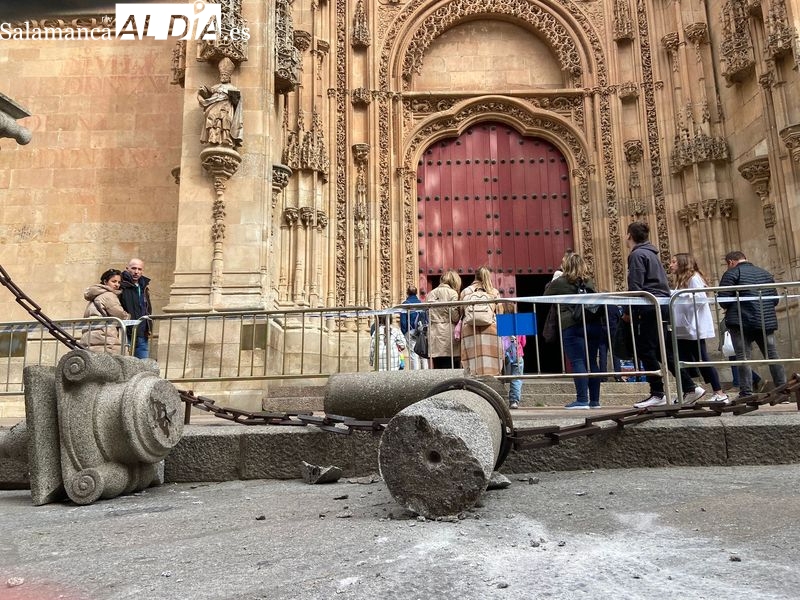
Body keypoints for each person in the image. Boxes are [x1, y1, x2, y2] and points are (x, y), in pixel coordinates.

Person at [624, 221, 701, 408]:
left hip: (649, 306)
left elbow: (636, 287)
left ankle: (658, 393)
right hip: (661, 305)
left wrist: (629, 313)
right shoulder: (650, 253)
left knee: (645, 350)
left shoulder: (637, 255)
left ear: (629, 236)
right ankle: (690, 387)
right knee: (661, 351)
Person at [718, 251, 786, 400]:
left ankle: (746, 393)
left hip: (740, 322)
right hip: (765, 321)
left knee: (743, 357)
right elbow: (775, 300)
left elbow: (723, 301)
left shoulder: (731, 274)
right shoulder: (765, 273)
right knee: (773, 356)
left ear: (730, 262)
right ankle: (783, 390)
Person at [544, 253, 604, 409]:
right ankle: (595, 401)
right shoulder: (588, 280)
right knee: (591, 361)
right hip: (592, 323)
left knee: (577, 361)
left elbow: (545, 296)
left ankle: (582, 399)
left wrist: (555, 278)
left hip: (571, 324)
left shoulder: (561, 282)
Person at [670, 253, 728, 403]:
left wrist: (682, 299)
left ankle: (719, 392)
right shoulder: (682, 281)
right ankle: (691, 390)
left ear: (682, 263)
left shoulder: (694, 278)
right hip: (684, 327)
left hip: (693, 326)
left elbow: (700, 299)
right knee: (683, 359)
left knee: (702, 359)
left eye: (674, 262)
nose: (670, 265)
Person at [459, 266, 504, 376]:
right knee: (492, 362)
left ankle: (472, 386)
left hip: (470, 329)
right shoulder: (493, 292)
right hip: (491, 330)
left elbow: (461, 312)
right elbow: (500, 312)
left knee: (471, 364)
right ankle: (492, 385)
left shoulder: (465, 292)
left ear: (475, 276)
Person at [79, 269, 130, 354]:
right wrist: (128, 316)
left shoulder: (96, 295)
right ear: (105, 282)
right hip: (104, 336)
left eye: (119, 282)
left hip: (92, 337)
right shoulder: (108, 295)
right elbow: (119, 314)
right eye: (114, 281)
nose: (117, 285)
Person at [197, 57, 243, 149]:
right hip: (214, 107)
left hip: (226, 108)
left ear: (229, 77)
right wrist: (203, 91)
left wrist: (233, 97)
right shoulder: (216, 87)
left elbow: (237, 101)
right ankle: (213, 138)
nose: (223, 77)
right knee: (213, 120)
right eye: (221, 76)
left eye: (225, 76)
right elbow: (208, 93)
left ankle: (226, 138)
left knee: (226, 121)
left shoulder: (233, 88)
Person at [426, 270, 462, 369]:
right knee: (451, 367)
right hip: (447, 333)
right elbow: (454, 317)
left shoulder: (430, 294)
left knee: (438, 367)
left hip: (434, 332)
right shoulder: (453, 293)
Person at [119, 258, 152, 359]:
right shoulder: (120, 285)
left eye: (139, 269)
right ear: (127, 268)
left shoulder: (143, 286)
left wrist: (148, 327)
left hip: (142, 332)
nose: (136, 272)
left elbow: (147, 308)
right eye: (133, 268)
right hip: (126, 332)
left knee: (143, 365)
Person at [502, 303, 526, 409]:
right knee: (516, 378)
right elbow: (523, 342)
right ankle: (514, 401)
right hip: (518, 354)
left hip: (503, 355)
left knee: (501, 377)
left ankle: (499, 400)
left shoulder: (500, 323)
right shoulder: (519, 323)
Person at [399, 285, 428, 370]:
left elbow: (403, 322)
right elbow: (426, 319)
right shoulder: (421, 304)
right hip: (421, 331)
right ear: (416, 293)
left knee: (413, 354)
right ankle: (426, 374)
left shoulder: (405, 304)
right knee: (423, 353)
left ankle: (415, 376)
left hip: (410, 331)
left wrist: (405, 332)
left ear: (407, 293)